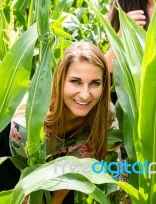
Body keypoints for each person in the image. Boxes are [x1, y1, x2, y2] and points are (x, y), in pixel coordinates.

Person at [0, 41, 111, 204]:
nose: (85, 95)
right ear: (60, 81)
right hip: (14, 160)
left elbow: (73, 171)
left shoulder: (104, 116)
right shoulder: (27, 125)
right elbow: (24, 185)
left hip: (63, 167)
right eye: (76, 81)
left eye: (95, 83)